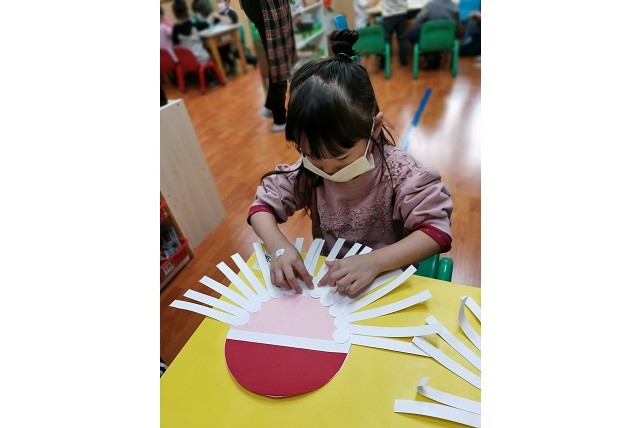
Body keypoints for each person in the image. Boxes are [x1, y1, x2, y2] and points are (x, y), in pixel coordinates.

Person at [247, 29, 453, 295]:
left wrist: (374, 262)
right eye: (314, 157)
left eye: (341, 158)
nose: (329, 170)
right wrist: (279, 248)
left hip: (387, 279)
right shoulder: (310, 170)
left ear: (374, 127)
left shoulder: (401, 173)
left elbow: (436, 231)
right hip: (334, 284)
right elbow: (262, 207)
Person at [240, 0, 297, 132]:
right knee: (280, 60)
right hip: (267, 5)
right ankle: (279, 119)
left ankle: (270, 106)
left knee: (278, 58)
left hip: (262, 5)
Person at [171, 0, 220, 85]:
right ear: (187, 11)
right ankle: (212, 75)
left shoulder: (175, 29)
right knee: (208, 48)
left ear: (175, 14)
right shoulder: (193, 25)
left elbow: (175, 42)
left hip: (186, 60)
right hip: (200, 58)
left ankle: (205, 76)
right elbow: (206, 24)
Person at [407, 0, 459, 69]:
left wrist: (421, 28)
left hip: (428, 39)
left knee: (411, 34)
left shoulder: (429, 6)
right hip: (446, 41)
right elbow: (456, 27)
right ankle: (435, 53)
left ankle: (428, 52)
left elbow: (418, 21)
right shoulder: (455, 7)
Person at [381, 0, 409, 67]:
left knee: (386, 39)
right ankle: (403, 61)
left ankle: (385, 63)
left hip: (389, 14)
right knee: (402, 39)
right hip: (401, 13)